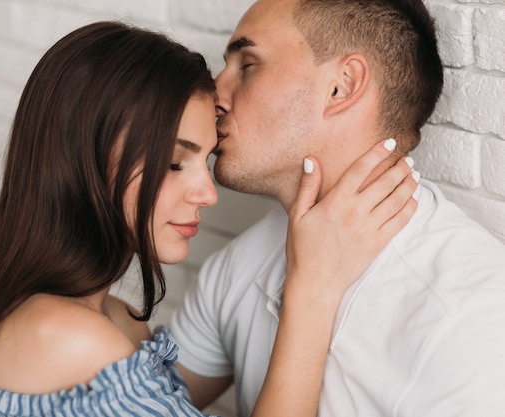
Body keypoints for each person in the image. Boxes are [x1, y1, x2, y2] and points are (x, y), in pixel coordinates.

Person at [0, 20, 418, 417]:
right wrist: (312, 288)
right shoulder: (65, 338)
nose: (206, 193)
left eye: (205, 160)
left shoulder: (113, 322)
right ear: (86, 160)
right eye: (176, 162)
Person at [170, 0, 505, 416]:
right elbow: (133, 402)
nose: (215, 96)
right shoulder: (241, 263)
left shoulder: (472, 321)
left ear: (342, 86)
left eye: (248, 64)